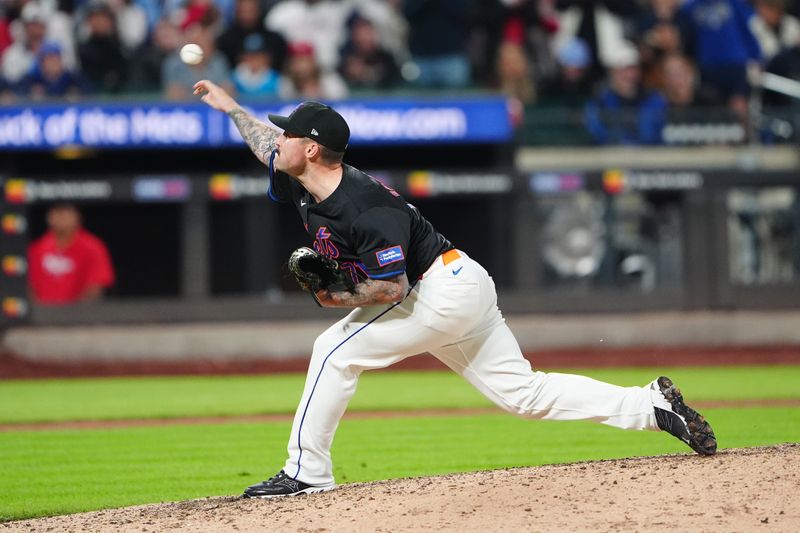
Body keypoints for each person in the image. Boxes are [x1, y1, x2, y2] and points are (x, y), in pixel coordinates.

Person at [192, 78, 717, 498]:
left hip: (436, 290)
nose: (277, 139)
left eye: (288, 135)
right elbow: (261, 139)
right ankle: (650, 407)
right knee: (522, 394)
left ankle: (306, 474)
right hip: (458, 283)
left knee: (332, 349)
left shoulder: (363, 206)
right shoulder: (298, 174)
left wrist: (334, 298)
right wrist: (230, 106)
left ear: (311, 149)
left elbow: (391, 289)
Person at [27, 203, 115, 305]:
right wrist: (40, 312)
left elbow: (96, 286)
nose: (61, 217)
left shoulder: (93, 247)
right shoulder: (37, 248)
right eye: (57, 212)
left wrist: (72, 314)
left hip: (80, 315)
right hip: (42, 315)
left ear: (77, 217)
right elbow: (29, 286)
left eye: (66, 212)